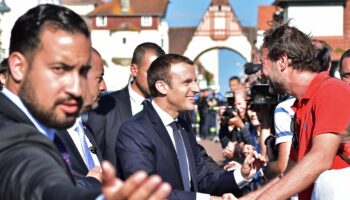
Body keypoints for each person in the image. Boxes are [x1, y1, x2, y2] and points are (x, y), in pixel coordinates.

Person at [0, 4, 171, 200]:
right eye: (59, 69)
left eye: (82, 73)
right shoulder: (9, 134)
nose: (75, 88)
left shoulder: (50, 124)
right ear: (18, 67)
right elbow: (37, 179)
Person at [116, 54, 266, 199]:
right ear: (162, 87)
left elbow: (202, 180)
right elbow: (146, 192)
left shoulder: (183, 128)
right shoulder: (134, 131)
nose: (196, 89)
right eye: (187, 82)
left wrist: (243, 174)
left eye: (195, 81)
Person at [241, 23, 350, 200]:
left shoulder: (331, 91)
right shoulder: (302, 105)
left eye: (263, 63)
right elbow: (288, 173)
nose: (261, 73)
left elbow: (320, 158)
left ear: (282, 61)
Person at [88, 42, 165, 166]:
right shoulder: (105, 106)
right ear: (134, 70)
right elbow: (94, 157)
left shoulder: (166, 107)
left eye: (161, 75)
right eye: (151, 73)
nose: (156, 80)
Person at [56, 48, 106, 190]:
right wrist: (91, 184)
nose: (104, 87)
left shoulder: (85, 130)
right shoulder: (46, 133)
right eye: (99, 78)